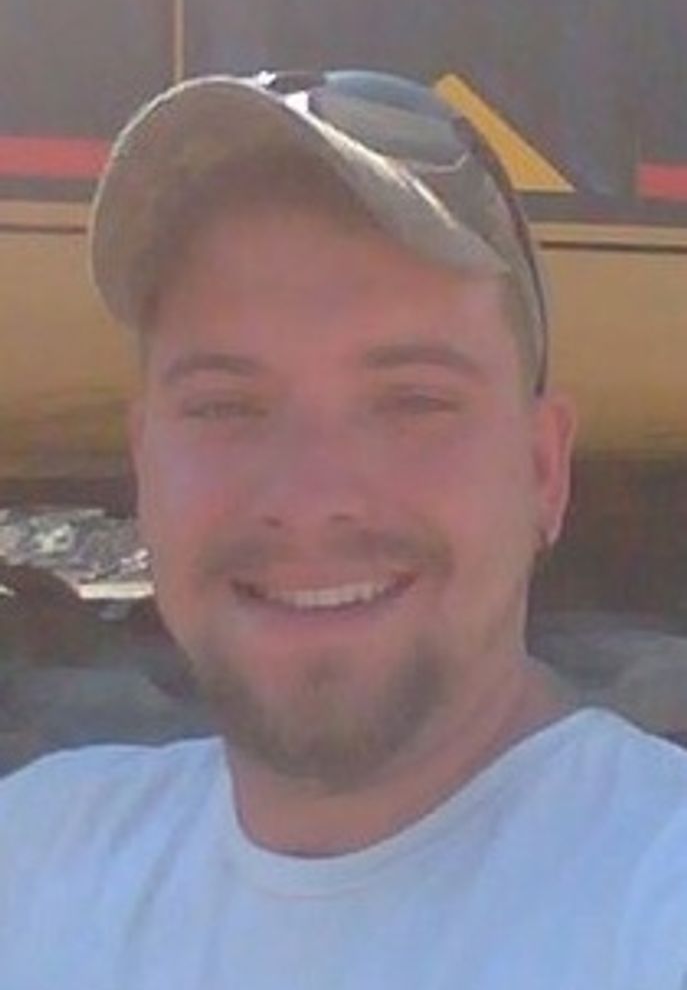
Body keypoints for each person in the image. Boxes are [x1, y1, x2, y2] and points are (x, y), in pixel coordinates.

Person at [1, 70, 686, 989]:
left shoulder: (655, 899)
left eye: (411, 402)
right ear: (145, 460)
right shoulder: (37, 857)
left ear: (541, 471)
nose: (310, 495)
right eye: (224, 406)